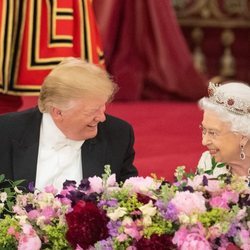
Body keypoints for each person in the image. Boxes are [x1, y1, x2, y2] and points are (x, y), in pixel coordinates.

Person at [0, 57, 138, 190]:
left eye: (102, 107)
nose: (102, 118)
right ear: (58, 112)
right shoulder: (5, 132)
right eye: (92, 111)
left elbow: (127, 198)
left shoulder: (118, 135)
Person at [197, 81, 250, 185]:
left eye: (213, 133)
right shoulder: (207, 162)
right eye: (204, 130)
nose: (204, 141)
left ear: (243, 136)